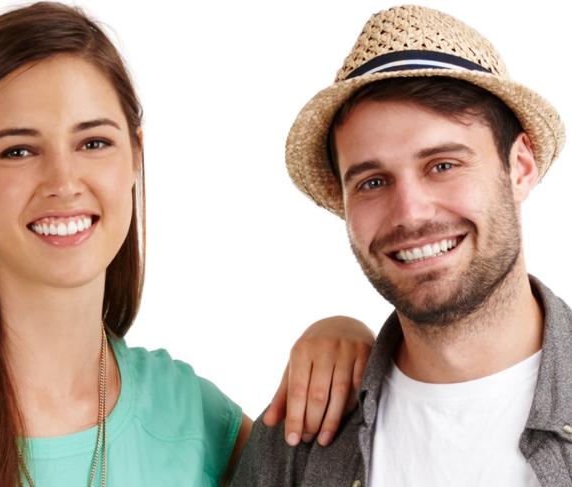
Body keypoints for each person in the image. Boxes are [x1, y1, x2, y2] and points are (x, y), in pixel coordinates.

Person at [0, 3, 377, 486]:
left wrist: (345, 334)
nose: (64, 180)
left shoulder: (193, 419)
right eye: (18, 150)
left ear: (135, 156)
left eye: (93, 143)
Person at [231, 4, 571, 487]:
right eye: (372, 182)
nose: (410, 213)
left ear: (519, 167)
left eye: (443, 165)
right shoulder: (301, 434)